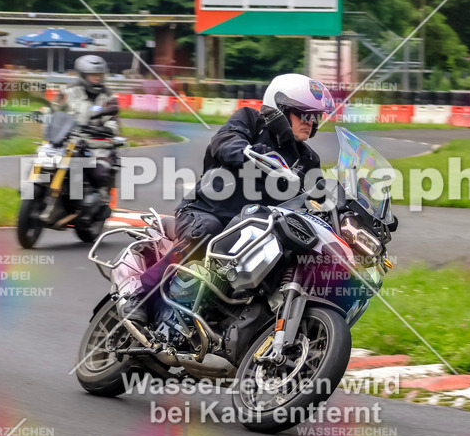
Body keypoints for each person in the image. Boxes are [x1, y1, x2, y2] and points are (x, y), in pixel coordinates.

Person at [122, 73, 335, 325]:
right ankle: (141, 297)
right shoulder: (251, 121)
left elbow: (318, 197)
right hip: (206, 212)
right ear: (280, 110)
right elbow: (225, 141)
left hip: (254, 233)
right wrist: (250, 153)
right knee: (207, 232)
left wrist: (342, 205)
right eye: (305, 115)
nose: (311, 122)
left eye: (315, 117)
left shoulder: (307, 160)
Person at [53, 55, 121, 224]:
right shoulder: (68, 91)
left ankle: (97, 203)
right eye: (93, 75)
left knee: (99, 172)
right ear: (82, 75)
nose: (97, 79)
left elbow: (113, 121)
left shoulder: (108, 97)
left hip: (96, 142)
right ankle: (36, 189)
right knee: (45, 156)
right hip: (68, 139)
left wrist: (107, 129)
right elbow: (53, 109)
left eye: (100, 75)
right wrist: (44, 116)